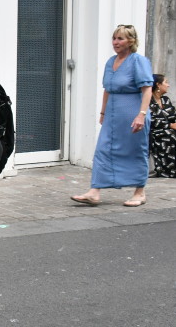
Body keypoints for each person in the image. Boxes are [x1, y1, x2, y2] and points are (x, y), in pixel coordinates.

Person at [71, 25, 153, 206]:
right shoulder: (111, 62)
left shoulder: (138, 61)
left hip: (133, 113)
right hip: (113, 114)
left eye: (120, 39)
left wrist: (141, 115)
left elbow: (147, 90)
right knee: (103, 149)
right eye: (114, 38)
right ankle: (94, 191)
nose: (115, 42)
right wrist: (103, 112)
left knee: (135, 150)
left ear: (131, 41)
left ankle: (139, 192)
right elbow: (107, 89)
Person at [149, 74, 176, 177]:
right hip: (154, 132)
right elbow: (151, 120)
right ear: (158, 85)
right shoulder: (148, 100)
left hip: (169, 129)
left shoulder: (165, 100)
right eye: (166, 82)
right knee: (171, 135)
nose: (168, 85)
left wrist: (173, 124)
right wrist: (169, 125)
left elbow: (173, 115)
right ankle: (169, 170)